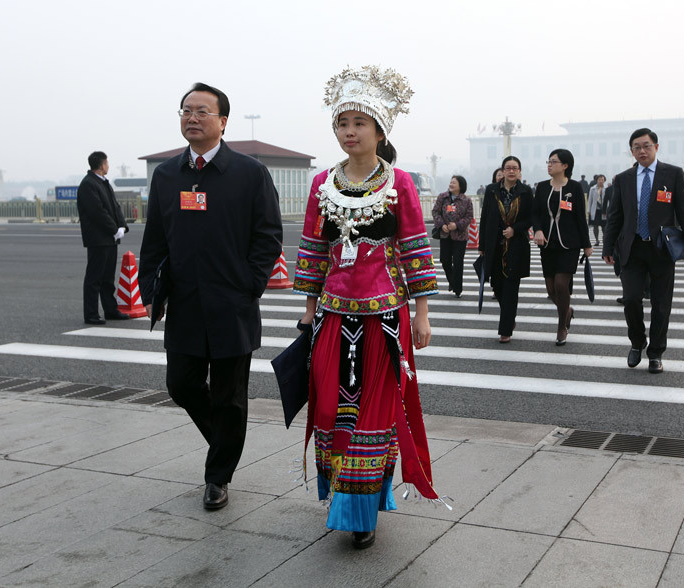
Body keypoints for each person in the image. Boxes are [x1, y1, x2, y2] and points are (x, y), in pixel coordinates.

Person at [292, 66, 441, 550]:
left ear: (380, 130)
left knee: (375, 413)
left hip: (384, 320)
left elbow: (417, 248)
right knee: (334, 411)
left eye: (359, 122)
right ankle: (341, 495)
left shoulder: (399, 182)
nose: (349, 131)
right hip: (333, 317)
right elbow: (313, 252)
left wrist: (421, 312)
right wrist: (310, 310)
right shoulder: (321, 184)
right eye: (342, 122)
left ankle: (363, 512)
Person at [138, 83, 283, 511]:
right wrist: (152, 290)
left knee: (229, 396)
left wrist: (247, 286)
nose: (192, 117)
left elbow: (268, 238)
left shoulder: (249, 173)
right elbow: (154, 243)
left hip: (231, 305)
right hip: (184, 303)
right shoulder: (166, 176)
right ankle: (224, 443)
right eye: (186, 110)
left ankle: (218, 476)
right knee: (180, 384)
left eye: (202, 111)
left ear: (223, 121)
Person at [602, 128, 684, 374]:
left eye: (646, 146)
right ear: (631, 151)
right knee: (632, 299)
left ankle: (656, 352)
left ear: (656, 146)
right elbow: (615, 217)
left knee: (661, 303)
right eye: (636, 147)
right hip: (632, 248)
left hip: (661, 249)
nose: (642, 151)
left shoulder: (673, 174)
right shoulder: (623, 179)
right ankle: (637, 342)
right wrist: (608, 246)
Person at [532, 149, 592, 345]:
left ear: (565, 166)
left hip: (569, 244)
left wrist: (586, 244)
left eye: (554, 162)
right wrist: (538, 230)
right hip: (547, 243)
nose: (549, 165)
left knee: (561, 284)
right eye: (548, 161)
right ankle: (568, 311)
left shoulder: (574, 188)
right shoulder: (541, 187)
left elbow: (580, 217)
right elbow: (536, 214)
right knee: (551, 290)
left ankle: (561, 326)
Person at [479, 155, 534, 343]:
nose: (511, 171)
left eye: (515, 168)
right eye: (508, 168)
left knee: (511, 287)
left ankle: (505, 329)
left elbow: (530, 218)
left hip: (516, 246)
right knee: (498, 286)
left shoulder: (526, 191)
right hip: (494, 246)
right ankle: (509, 318)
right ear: (502, 171)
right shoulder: (492, 190)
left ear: (519, 171)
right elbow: (485, 217)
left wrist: (515, 229)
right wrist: (482, 246)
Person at [76, 151, 130, 325]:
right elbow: (97, 211)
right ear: (101, 164)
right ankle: (91, 314)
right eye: (107, 162)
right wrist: (114, 229)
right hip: (98, 238)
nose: (108, 165)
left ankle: (110, 310)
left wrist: (122, 226)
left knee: (108, 278)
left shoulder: (104, 183)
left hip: (110, 238)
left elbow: (115, 207)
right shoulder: (88, 184)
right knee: (94, 278)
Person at [432, 175, 474, 297]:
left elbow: (469, 217)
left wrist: (457, 225)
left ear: (461, 186)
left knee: (458, 262)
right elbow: (435, 212)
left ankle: (458, 289)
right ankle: (452, 281)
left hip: (460, 236)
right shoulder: (442, 197)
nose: (451, 184)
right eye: (451, 182)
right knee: (444, 260)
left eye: (454, 183)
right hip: (445, 235)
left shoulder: (466, 200)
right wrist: (441, 225)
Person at [588, 174, 607, 246]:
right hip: (595, 210)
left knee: (604, 226)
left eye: (602, 180)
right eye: (599, 180)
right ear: (597, 180)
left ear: (604, 180)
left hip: (604, 210)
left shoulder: (607, 188)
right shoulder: (592, 189)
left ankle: (604, 239)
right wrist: (589, 210)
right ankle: (596, 240)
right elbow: (590, 200)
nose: (600, 181)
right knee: (595, 226)